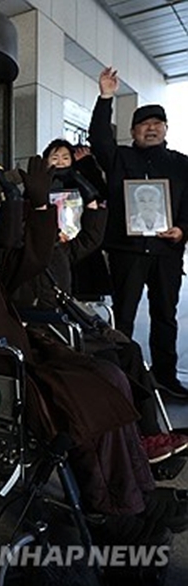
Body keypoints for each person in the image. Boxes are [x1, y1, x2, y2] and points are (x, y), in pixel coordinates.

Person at [0, 147, 187, 545]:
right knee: (87, 398)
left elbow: (32, 260)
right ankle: (112, 510)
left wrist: (35, 204)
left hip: (24, 355)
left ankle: (137, 491)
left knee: (110, 376)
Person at [12, 139, 188, 465]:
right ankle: (139, 439)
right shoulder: (24, 253)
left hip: (70, 323)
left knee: (129, 349)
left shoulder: (58, 248)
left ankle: (148, 432)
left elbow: (89, 241)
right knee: (114, 362)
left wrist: (95, 210)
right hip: (52, 334)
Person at [89, 66, 188, 399]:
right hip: (126, 250)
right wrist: (106, 97)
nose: (151, 129)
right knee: (124, 316)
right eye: (145, 124)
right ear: (132, 131)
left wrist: (182, 230)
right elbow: (98, 138)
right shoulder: (120, 157)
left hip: (167, 252)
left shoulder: (181, 164)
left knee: (165, 316)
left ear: (165, 129)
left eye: (157, 124)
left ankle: (166, 377)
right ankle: (120, 379)